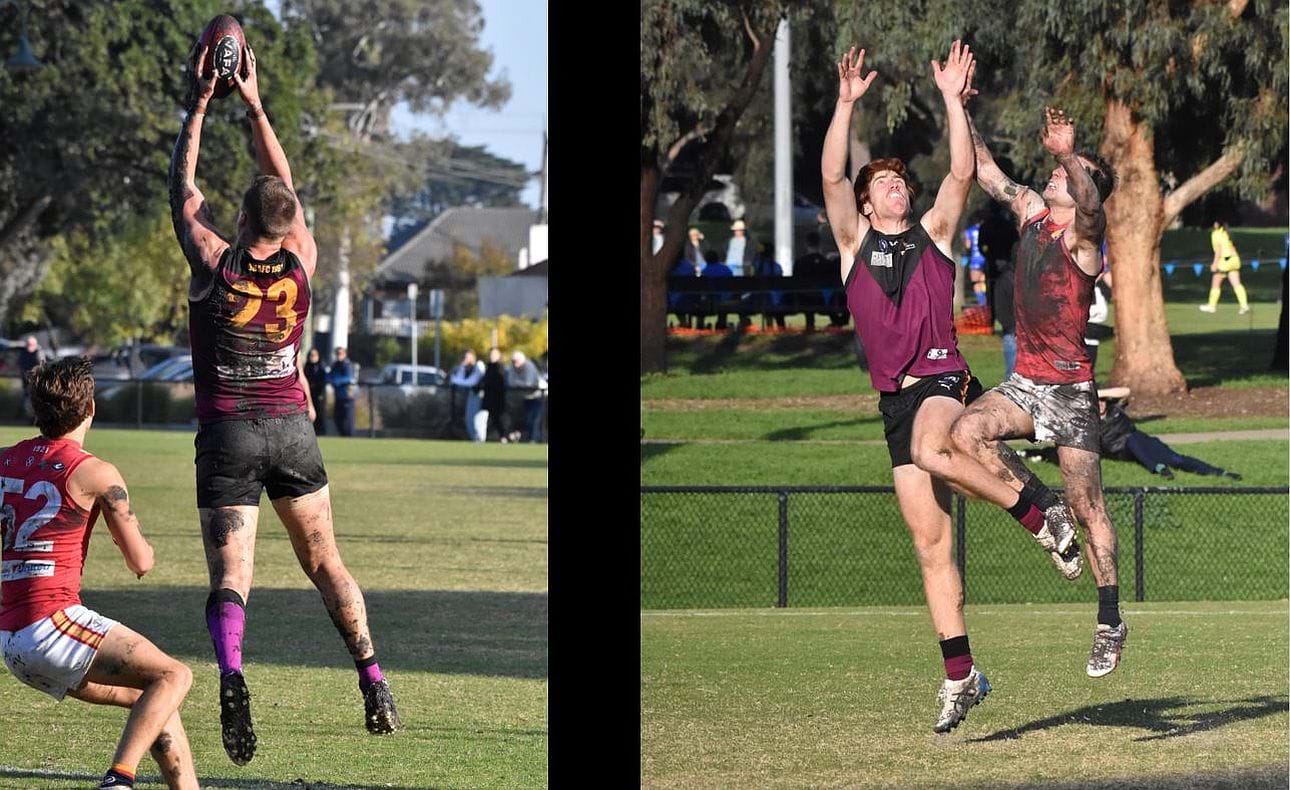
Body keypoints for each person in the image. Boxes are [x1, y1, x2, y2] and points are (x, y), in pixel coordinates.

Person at [167, 39, 400, 766]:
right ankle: (373, 677)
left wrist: (204, 100)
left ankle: (234, 677)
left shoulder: (214, 261)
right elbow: (283, 182)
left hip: (230, 435)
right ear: (287, 219)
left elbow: (181, 189)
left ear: (238, 222)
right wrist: (256, 103)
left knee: (232, 579)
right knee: (326, 561)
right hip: (294, 432)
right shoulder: (302, 258)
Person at [822, 41, 989, 734]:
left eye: (900, 182)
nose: (897, 186)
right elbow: (831, 176)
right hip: (896, 404)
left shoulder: (935, 237)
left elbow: (961, 171)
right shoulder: (853, 243)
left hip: (945, 382)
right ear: (866, 202)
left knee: (938, 451)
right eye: (884, 183)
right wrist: (845, 103)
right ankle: (962, 675)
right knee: (930, 546)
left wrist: (953, 98)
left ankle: (1040, 512)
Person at [933, 94, 1126, 679]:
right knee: (965, 434)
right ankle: (1043, 512)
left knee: (1089, 504)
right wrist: (961, 106)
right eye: (1060, 169)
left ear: (1084, 182)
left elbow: (1091, 208)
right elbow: (986, 169)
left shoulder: (1084, 240)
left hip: (1070, 392)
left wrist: (1071, 157)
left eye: (1071, 173)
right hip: (1025, 382)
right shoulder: (1032, 213)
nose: (1057, 176)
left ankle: (1110, 622)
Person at [0, 357, 199, 789]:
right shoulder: (96, 472)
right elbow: (141, 562)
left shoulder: (4, 461)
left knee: (156, 702)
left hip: (12, 640)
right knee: (175, 676)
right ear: (90, 408)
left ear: (36, 409)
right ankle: (119, 779)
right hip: (52, 624)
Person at [1041, 388, 1241, 480]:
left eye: (1103, 401)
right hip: (1123, 450)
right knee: (1131, 441)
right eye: (1097, 401)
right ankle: (1158, 468)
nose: (1100, 404)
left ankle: (1218, 472)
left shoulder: (1116, 410)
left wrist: (1099, 392)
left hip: (1142, 441)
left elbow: (1125, 390)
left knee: (1177, 458)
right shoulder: (1089, 422)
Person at [979, 204, 1019, 379]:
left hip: (999, 265)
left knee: (996, 295)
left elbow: (982, 246)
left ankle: (995, 322)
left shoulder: (989, 226)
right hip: (1001, 265)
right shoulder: (1003, 225)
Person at [1200, 220, 1249, 315]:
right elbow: (1233, 247)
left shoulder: (1216, 234)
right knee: (1237, 284)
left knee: (1216, 282)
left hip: (1224, 260)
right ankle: (1244, 305)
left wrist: (1214, 263)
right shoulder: (1227, 232)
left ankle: (1211, 306)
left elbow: (1218, 250)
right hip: (1234, 259)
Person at [793, 231, 833, 331]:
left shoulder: (799, 263)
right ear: (819, 243)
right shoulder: (826, 263)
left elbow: (795, 282)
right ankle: (837, 322)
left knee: (807, 294)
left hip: (803, 300)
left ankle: (810, 325)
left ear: (806, 244)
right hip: (822, 300)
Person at [507, 350, 544, 443]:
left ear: (522, 360)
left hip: (536, 397)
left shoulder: (529, 366)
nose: (514, 364)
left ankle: (534, 438)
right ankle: (526, 438)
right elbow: (510, 381)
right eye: (513, 361)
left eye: (516, 361)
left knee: (534, 419)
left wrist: (517, 383)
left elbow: (528, 383)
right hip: (522, 399)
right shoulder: (512, 367)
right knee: (524, 420)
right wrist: (519, 383)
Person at [450, 349, 485, 441]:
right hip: (472, 395)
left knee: (479, 420)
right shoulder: (465, 368)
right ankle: (475, 440)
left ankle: (480, 439)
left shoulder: (479, 365)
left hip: (480, 396)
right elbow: (456, 379)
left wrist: (461, 369)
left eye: (466, 357)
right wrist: (462, 366)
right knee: (469, 419)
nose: (464, 359)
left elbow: (471, 382)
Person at [327, 347, 357, 437]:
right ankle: (342, 437)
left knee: (347, 421)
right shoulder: (335, 365)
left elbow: (349, 377)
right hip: (338, 396)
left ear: (345, 354)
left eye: (340, 353)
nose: (339, 355)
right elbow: (329, 376)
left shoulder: (347, 365)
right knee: (337, 419)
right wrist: (330, 379)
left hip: (347, 397)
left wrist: (336, 381)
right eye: (337, 353)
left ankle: (350, 439)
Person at [481, 347, 509, 442]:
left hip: (498, 398)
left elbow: (499, 382)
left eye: (494, 354)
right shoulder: (489, 367)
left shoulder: (500, 368)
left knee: (499, 418)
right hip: (489, 398)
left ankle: (505, 436)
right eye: (490, 354)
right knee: (492, 418)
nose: (491, 356)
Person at [17, 335, 47, 420]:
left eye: (30, 344)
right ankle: (32, 419)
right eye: (28, 344)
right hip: (27, 384)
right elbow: (21, 367)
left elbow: (41, 368)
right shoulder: (24, 353)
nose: (29, 346)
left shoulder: (39, 354)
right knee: (28, 405)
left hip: (37, 384)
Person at [303, 348, 328, 435]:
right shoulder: (306, 367)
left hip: (319, 394)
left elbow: (323, 380)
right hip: (309, 394)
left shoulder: (321, 367)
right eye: (311, 355)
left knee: (320, 413)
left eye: (314, 355)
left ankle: (320, 432)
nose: (312, 357)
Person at [963, 222, 988, 306]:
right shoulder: (986, 228)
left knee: (976, 283)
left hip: (975, 259)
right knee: (984, 281)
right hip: (986, 258)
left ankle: (983, 304)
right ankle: (988, 302)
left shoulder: (970, 230)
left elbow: (968, 246)